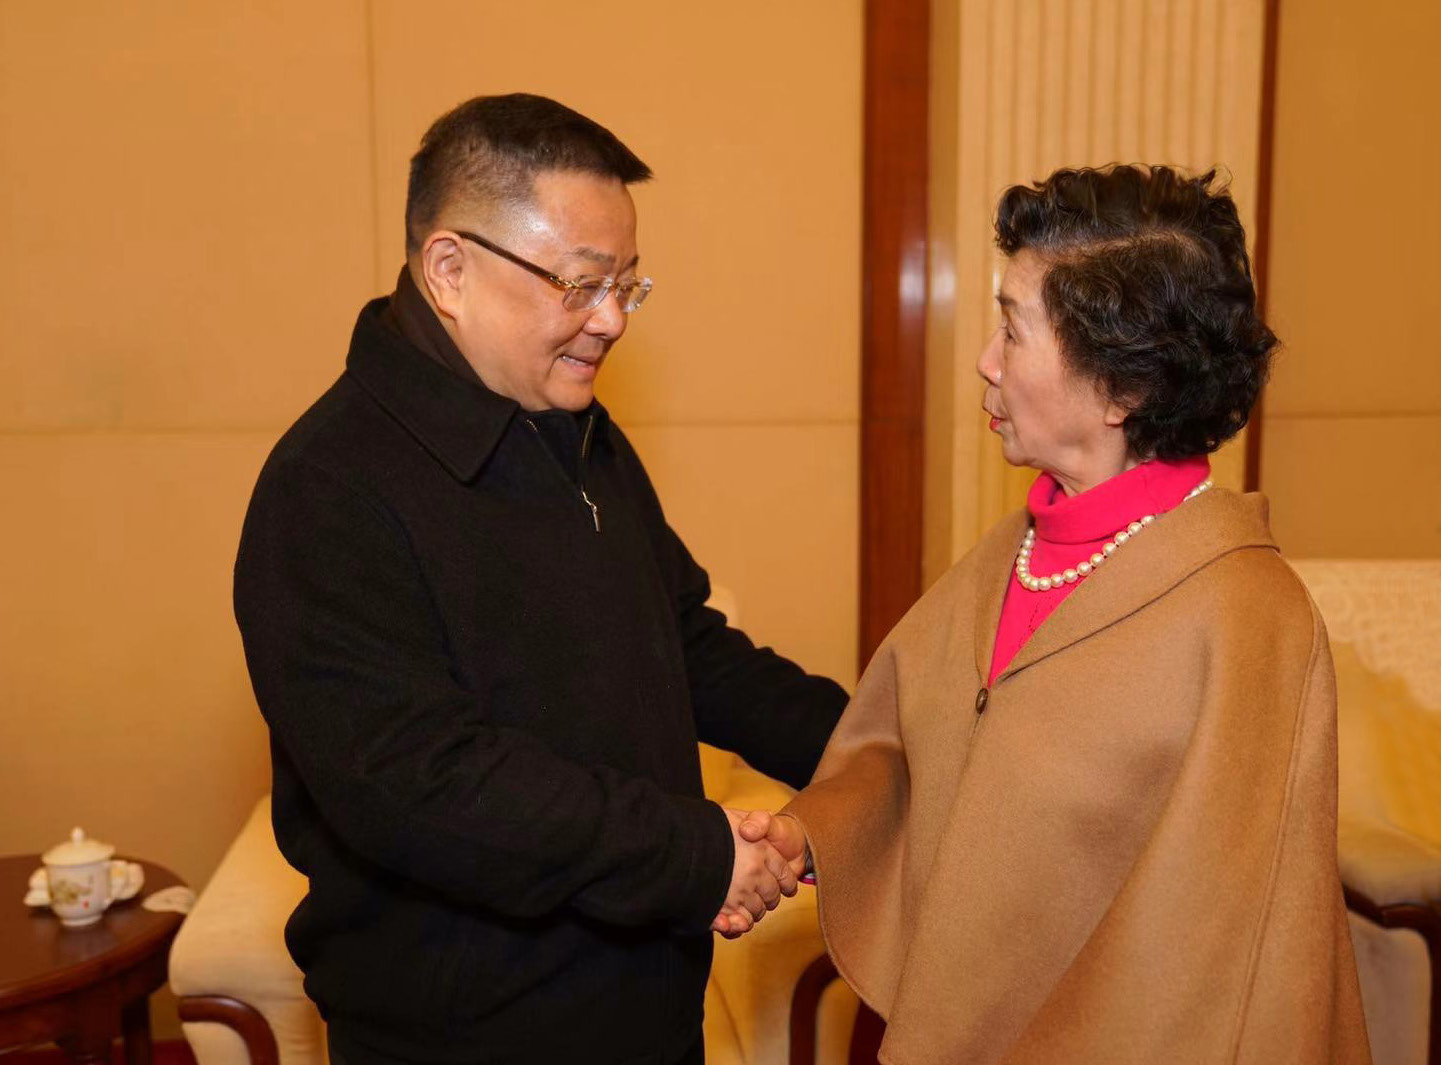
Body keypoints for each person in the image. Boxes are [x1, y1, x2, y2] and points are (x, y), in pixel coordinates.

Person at [233, 93, 847, 1065]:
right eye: (581, 284)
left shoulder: (573, 429)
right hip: (464, 1040)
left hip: (648, 1010)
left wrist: (871, 746)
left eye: (627, 285)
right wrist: (697, 855)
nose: (611, 320)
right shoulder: (329, 488)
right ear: (449, 270)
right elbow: (424, 785)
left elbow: (685, 645)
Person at [733, 165, 1371, 1063]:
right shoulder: (1011, 552)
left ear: (1123, 389)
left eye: (1012, 328)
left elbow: (1226, 952)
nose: (985, 360)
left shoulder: (1246, 617)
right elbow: (909, 753)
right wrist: (810, 831)